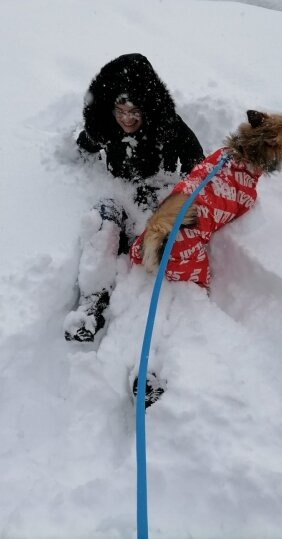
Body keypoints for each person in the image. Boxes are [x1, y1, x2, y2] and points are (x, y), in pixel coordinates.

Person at [64, 53, 204, 345]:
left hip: (157, 205)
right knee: (102, 220)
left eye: (135, 110)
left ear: (148, 107)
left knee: (160, 256)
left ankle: (152, 340)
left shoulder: (169, 128)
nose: (127, 118)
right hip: (122, 199)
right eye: (120, 110)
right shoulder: (105, 129)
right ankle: (93, 302)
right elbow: (84, 146)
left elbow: (197, 166)